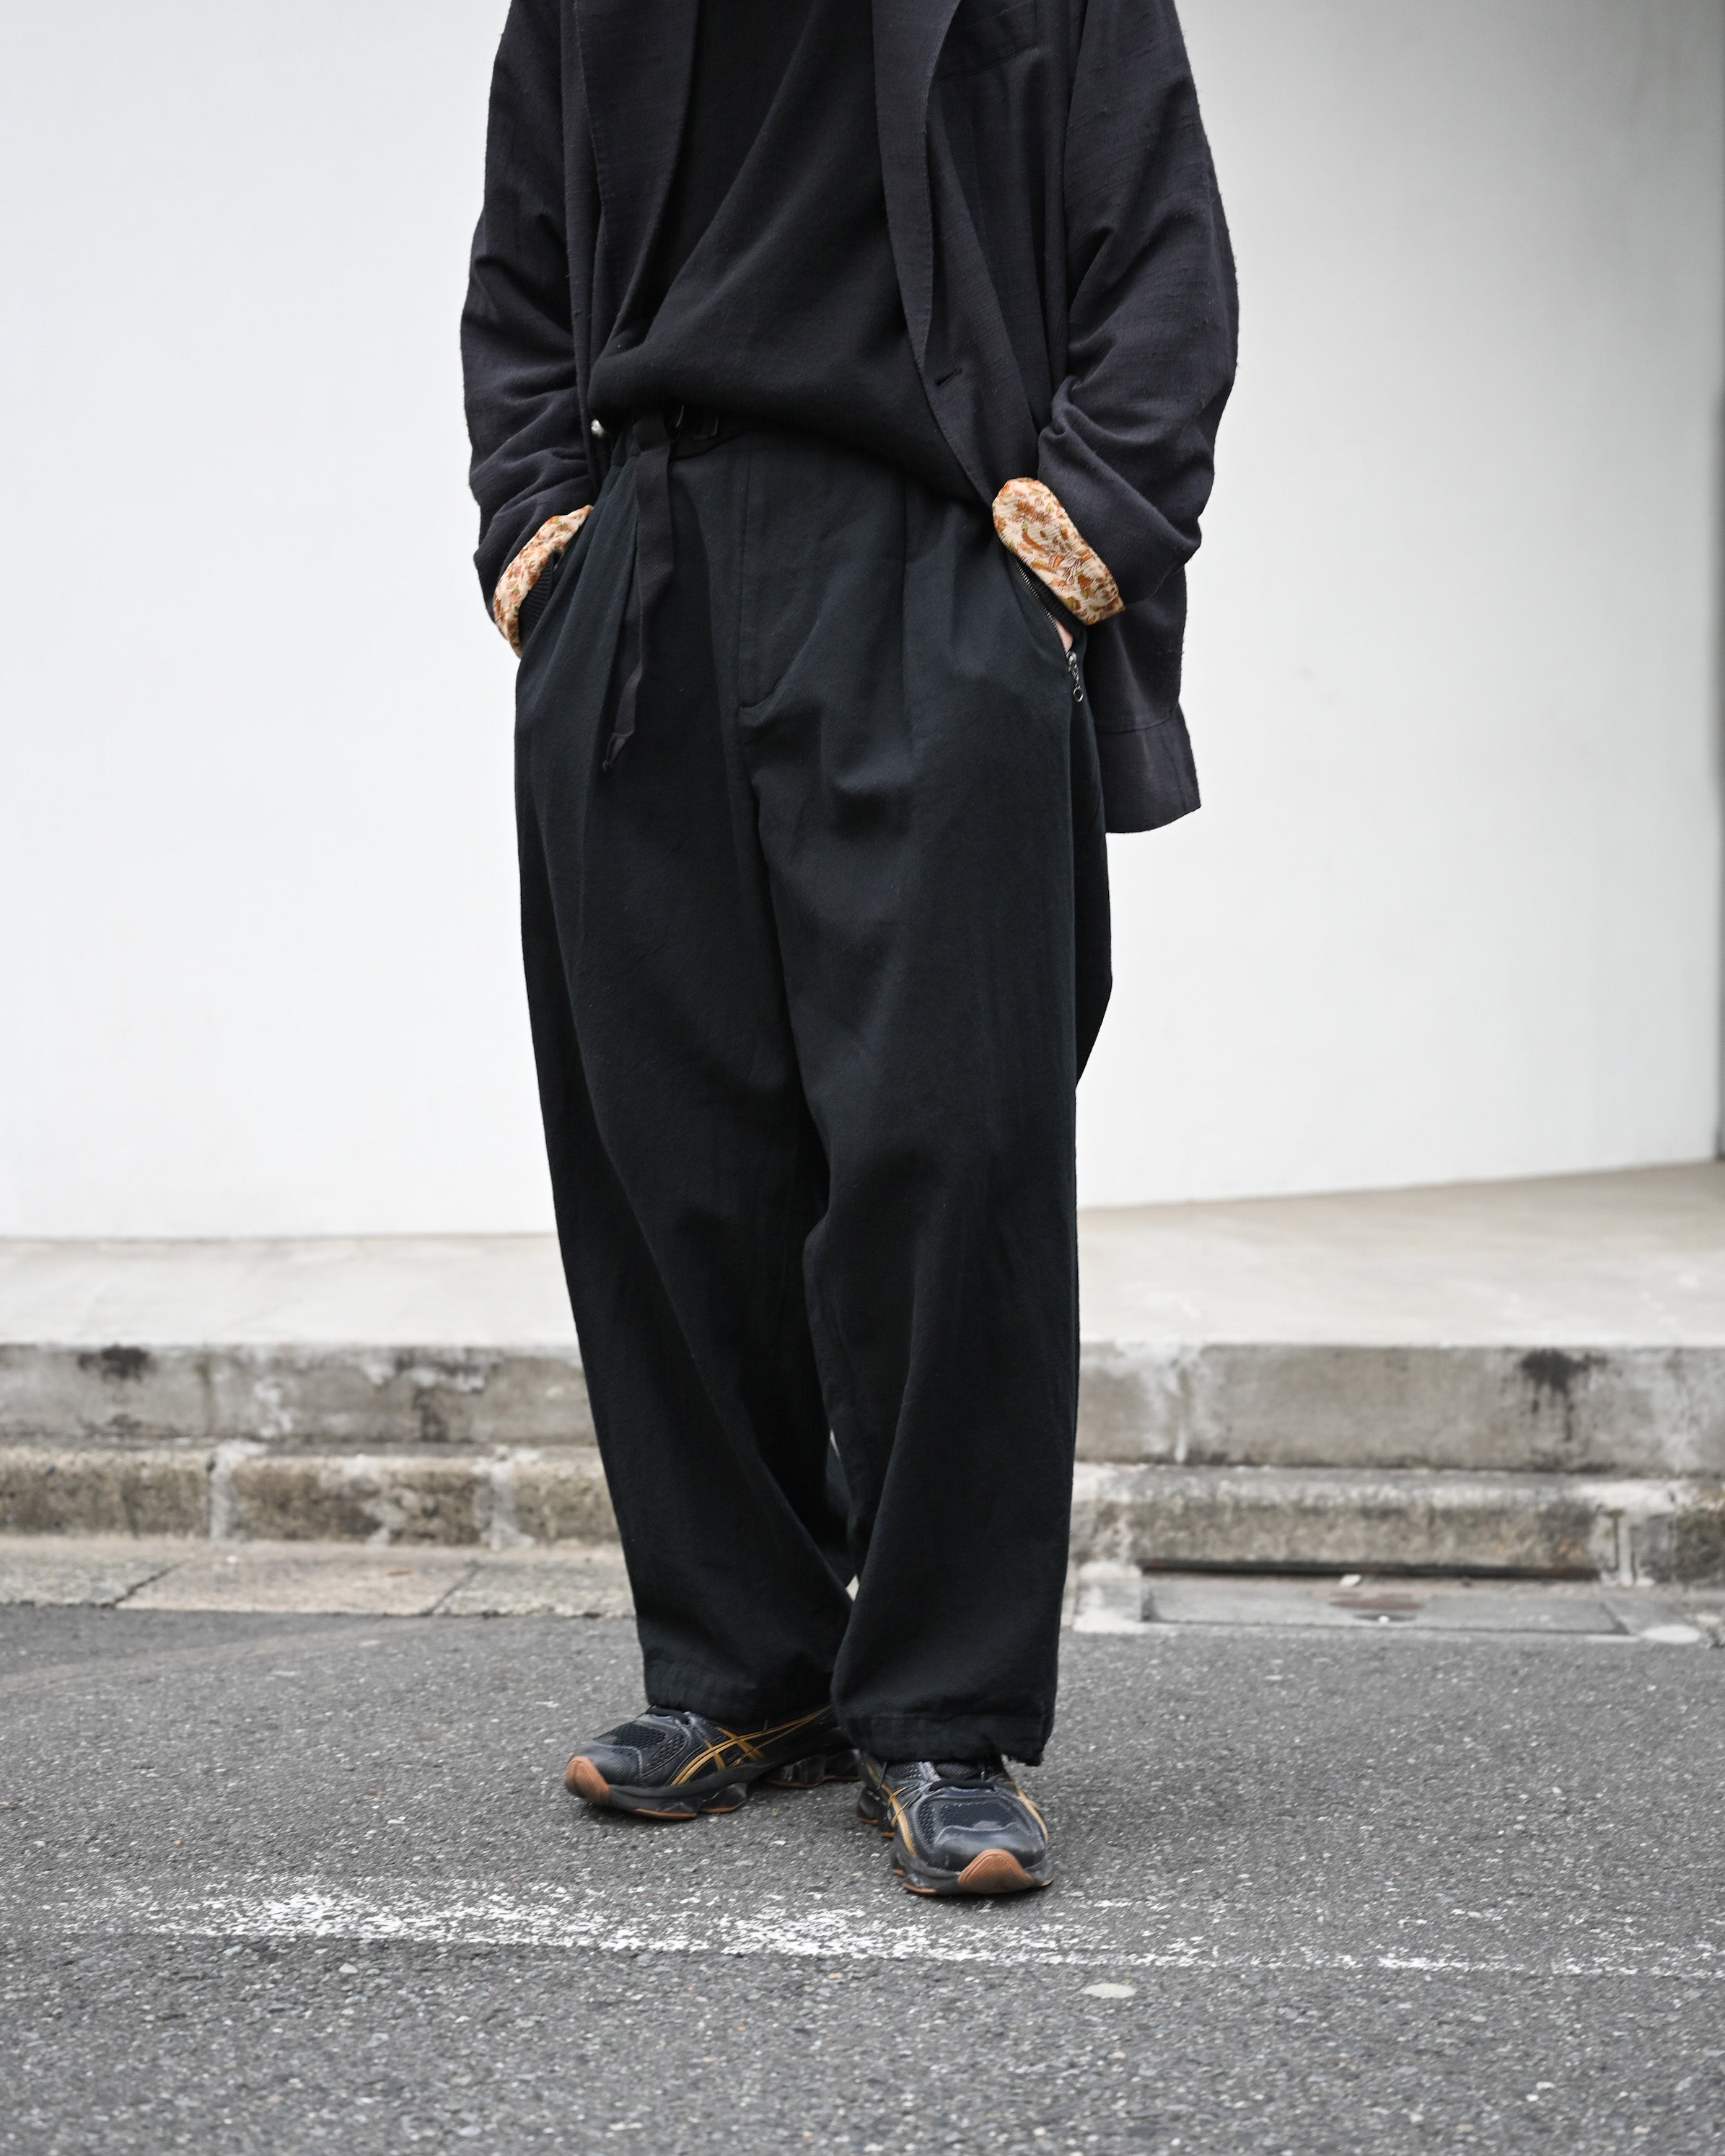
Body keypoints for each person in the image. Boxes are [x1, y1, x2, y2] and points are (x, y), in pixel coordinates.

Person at [462, 0, 1235, 1898]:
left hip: (934, 558)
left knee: (952, 1147)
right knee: (668, 1153)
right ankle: (750, 1664)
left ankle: (945, 1708)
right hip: (646, 568)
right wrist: (539, 528)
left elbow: (1161, 250)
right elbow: (522, 263)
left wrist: (1077, 543)